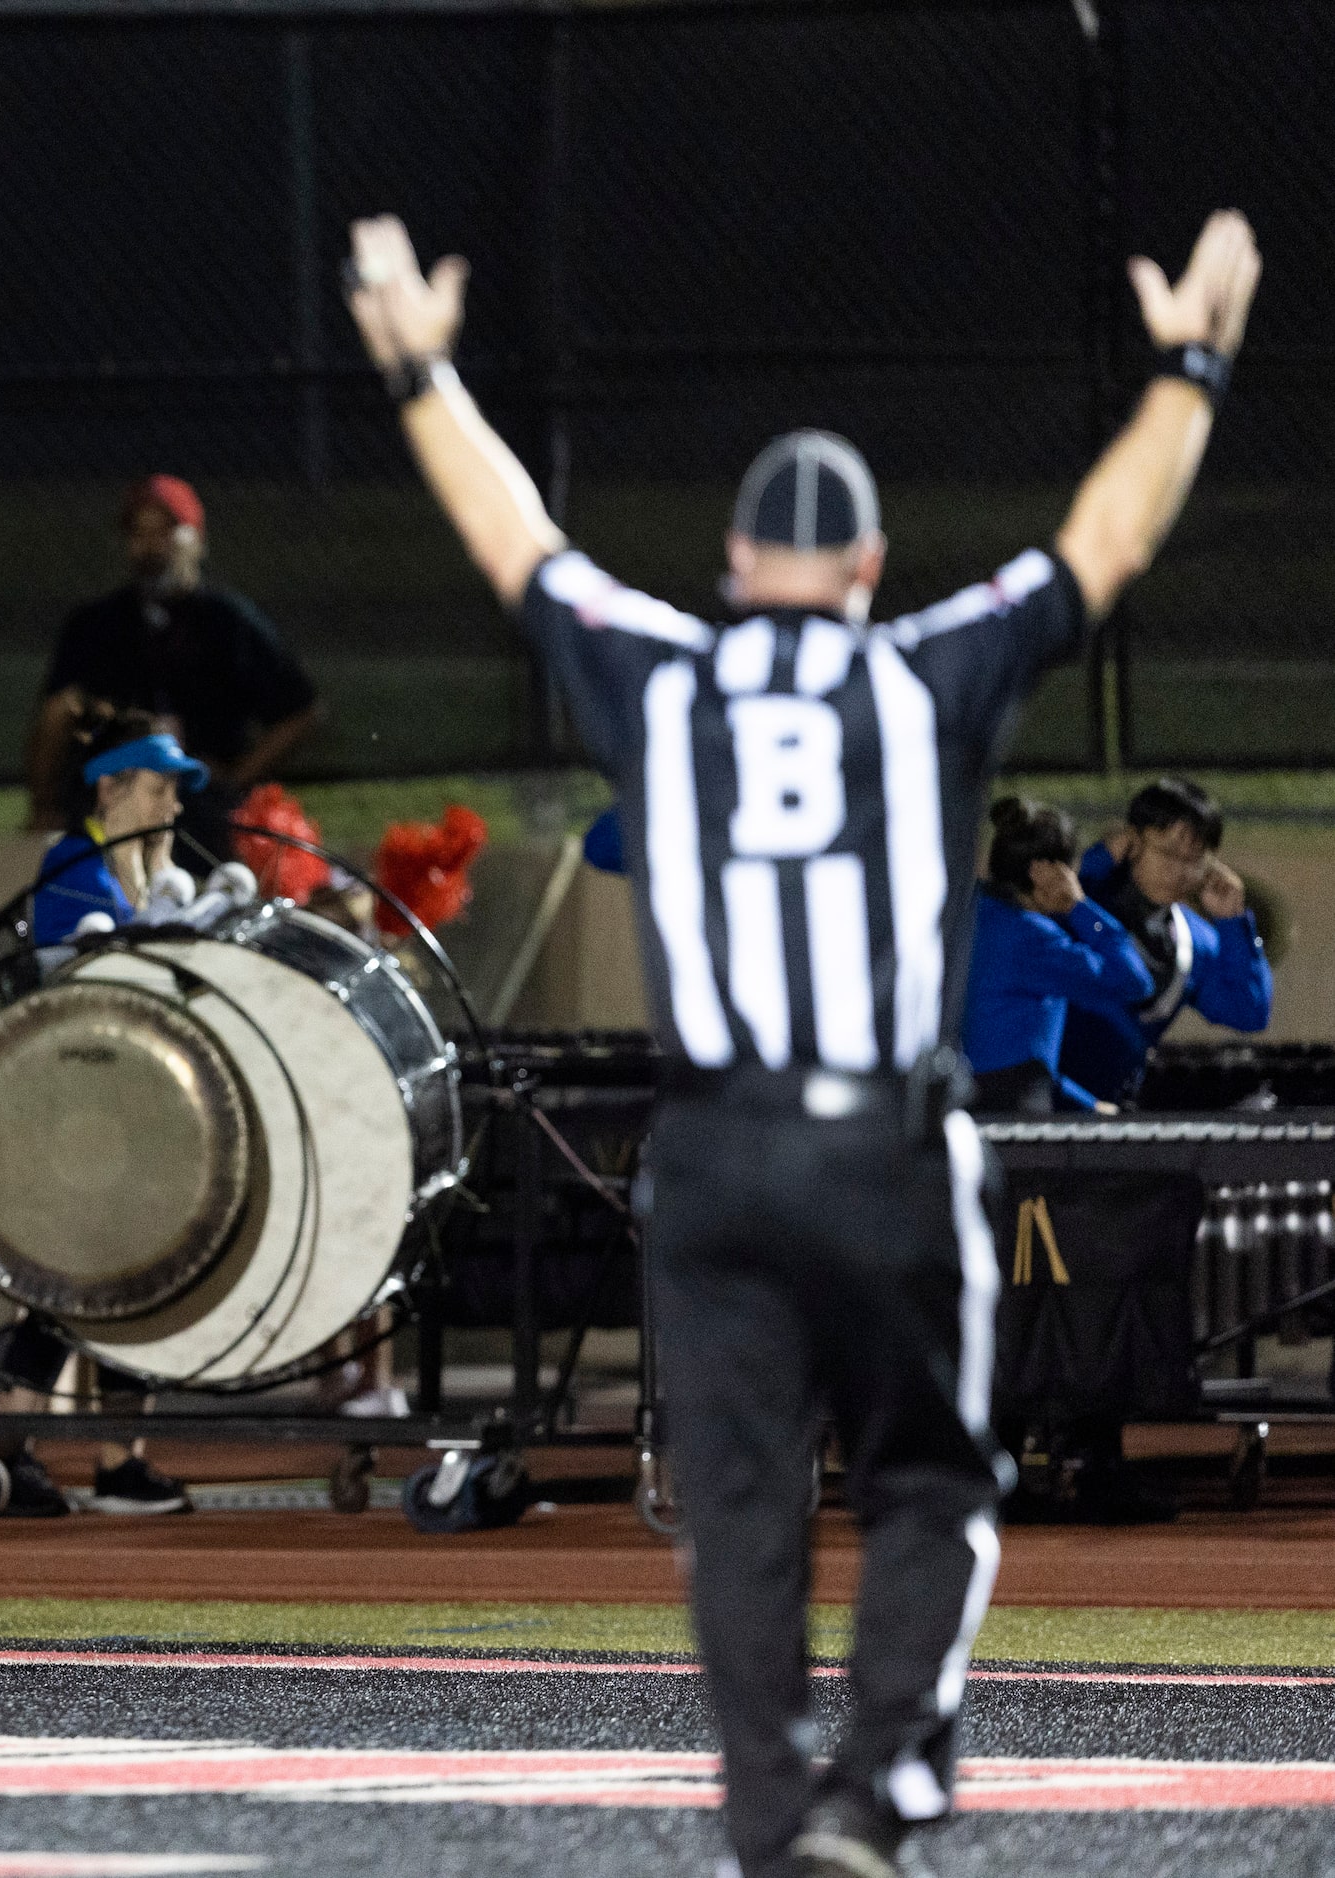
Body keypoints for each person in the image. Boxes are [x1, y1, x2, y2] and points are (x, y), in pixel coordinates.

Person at [342, 205, 1259, 1878]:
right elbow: (1098, 543)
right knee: (924, 1480)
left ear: (729, 563)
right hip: (885, 1144)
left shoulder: (666, 675)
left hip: (713, 1150)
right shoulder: (920, 673)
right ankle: (879, 1791)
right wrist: (1190, 362)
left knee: (746, 1512)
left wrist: (414, 367)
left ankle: (769, 1828)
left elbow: (512, 536)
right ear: (861, 567)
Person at [25, 476, 323, 856]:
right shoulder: (97, 623)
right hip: (112, 798)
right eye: (138, 534)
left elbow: (301, 711)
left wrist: (237, 777)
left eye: (166, 532)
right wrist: (45, 807)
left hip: (201, 798)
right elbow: (57, 713)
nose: (150, 547)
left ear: (197, 539)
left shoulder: (228, 622)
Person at [1058, 776, 1271, 1107]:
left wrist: (1233, 922)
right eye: (1169, 852)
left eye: (1195, 858)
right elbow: (1046, 910)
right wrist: (1097, 861)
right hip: (1040, 1098)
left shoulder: (1194, 940)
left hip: (1111, 1111)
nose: (1181, 871)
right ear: (1133, 840)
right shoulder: (1079, 903)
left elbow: (1249, 1011)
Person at [964, 799, 1151, 1114]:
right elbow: (1133, 981)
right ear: (1047, 873)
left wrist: (1088, 1104)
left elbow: (1008, 1047)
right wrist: (1080, 908)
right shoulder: (1034, 940)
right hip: (1010, 1117)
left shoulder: (967, 918)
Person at [30, 709, 206, 947]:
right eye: (158, 790)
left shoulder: (146, 857)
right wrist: (129, 863)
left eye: (175, 791)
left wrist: (160, 867)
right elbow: (142, 958)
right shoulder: (72, 865)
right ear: (108, 791)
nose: (175, 807)